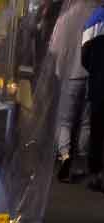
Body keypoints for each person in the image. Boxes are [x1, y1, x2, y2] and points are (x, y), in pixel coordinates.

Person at [50, 0, 99, 181]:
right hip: (92, 75)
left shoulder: (65, 18)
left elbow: (54, 49)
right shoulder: (98, 15)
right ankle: (81, 160)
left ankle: (64, 156)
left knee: (65, 121)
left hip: (70, 74)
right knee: (86, 122)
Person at [82, 1, 104, 188]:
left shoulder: (94, 20)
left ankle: (97, 174)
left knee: (97, 131)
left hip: (99, 86)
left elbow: (85, 58)